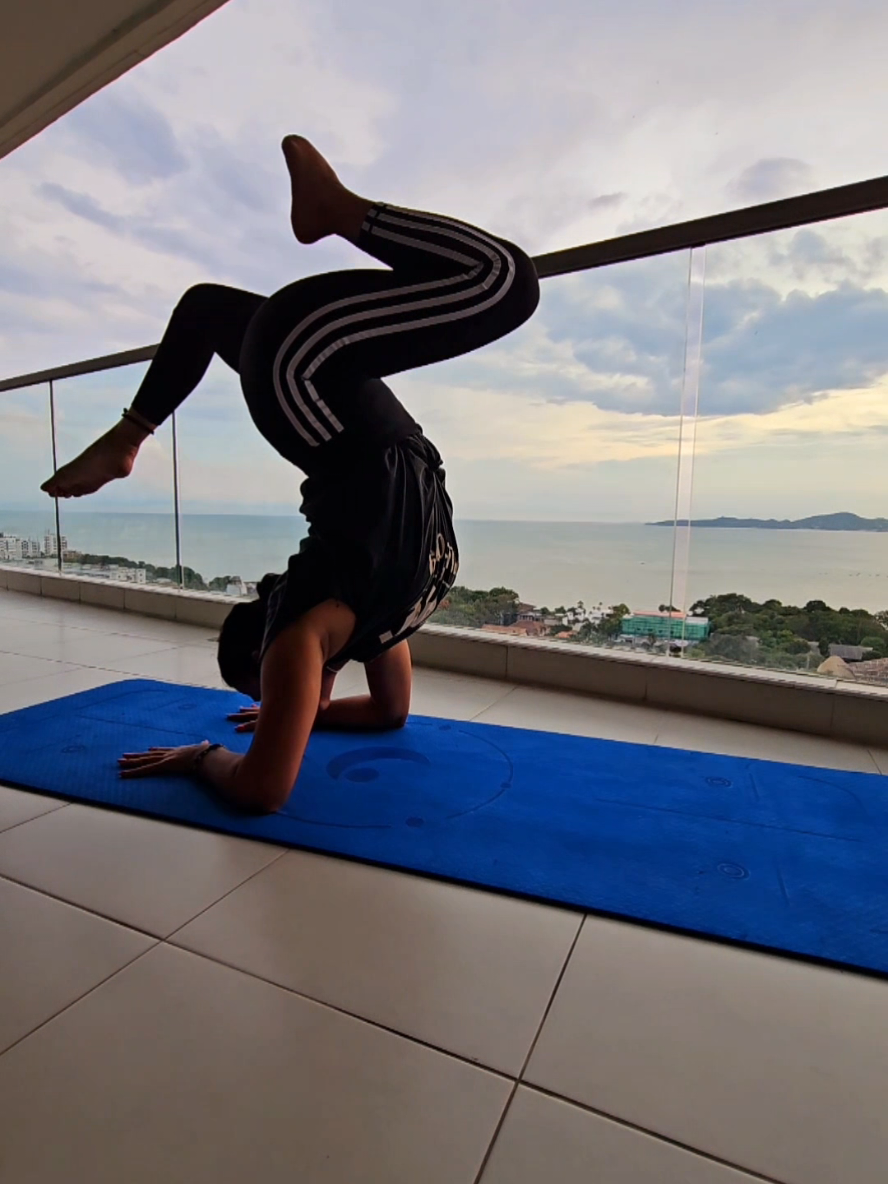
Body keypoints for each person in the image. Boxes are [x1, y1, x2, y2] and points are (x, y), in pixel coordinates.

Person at [43, 136, 539, 813]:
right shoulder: (373, 628)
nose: (296, 702)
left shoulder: (301, 633)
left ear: (271, 663)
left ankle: (131, 435)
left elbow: (260, 789)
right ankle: (130, 436)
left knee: (502, 280)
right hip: (342, 401)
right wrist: (306, 717)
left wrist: (204, 755)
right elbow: (389, 716)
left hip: (305, 384)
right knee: (208, 308)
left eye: (278, 696)